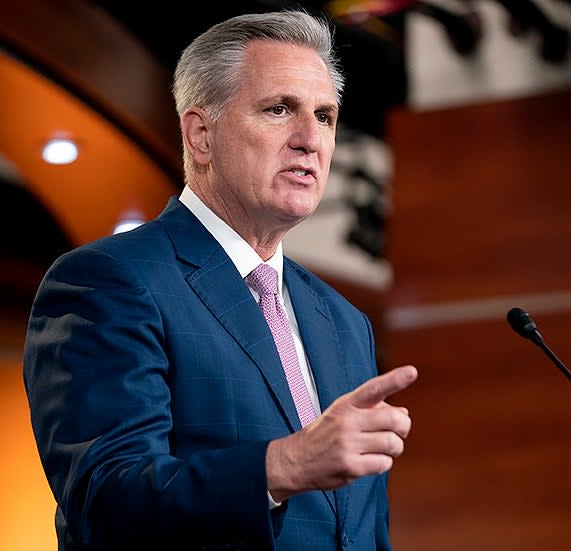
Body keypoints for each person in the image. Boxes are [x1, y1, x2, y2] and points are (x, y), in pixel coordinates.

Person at [23, 9, 418, 550]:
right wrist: (285, 464)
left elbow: (361, 531)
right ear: (201, 134)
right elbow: (106, 502)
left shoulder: (345, 322)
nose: (310, 139)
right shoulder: (109, 281)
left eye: (325, 116)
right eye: (279, 109)